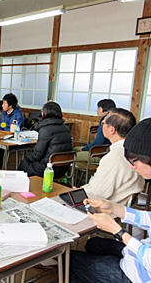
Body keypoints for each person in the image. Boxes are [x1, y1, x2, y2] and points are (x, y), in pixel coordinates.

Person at [70, 118, 151, 283]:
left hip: (138, 275)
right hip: (137, 254)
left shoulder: (112, 157)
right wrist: (114, 208)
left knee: (70, 260)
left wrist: (118, 231)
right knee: (93, 245)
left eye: (135, 161)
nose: (131, 166)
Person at [81, 108, 144, 204]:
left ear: (112, 130)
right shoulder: (136, 150)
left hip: (109, 208)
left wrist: (78, 191)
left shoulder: (115, 157)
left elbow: (95, 194)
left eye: (103, 123)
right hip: (126, 205)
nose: (102, 126)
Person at [18, 102, 72, 178]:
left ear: (46, 113)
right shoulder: (65, 128)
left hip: (47, 169)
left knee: (24, 164)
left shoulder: (45, 129)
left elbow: (37, 155)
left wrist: (26, 156)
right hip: (63, 168)